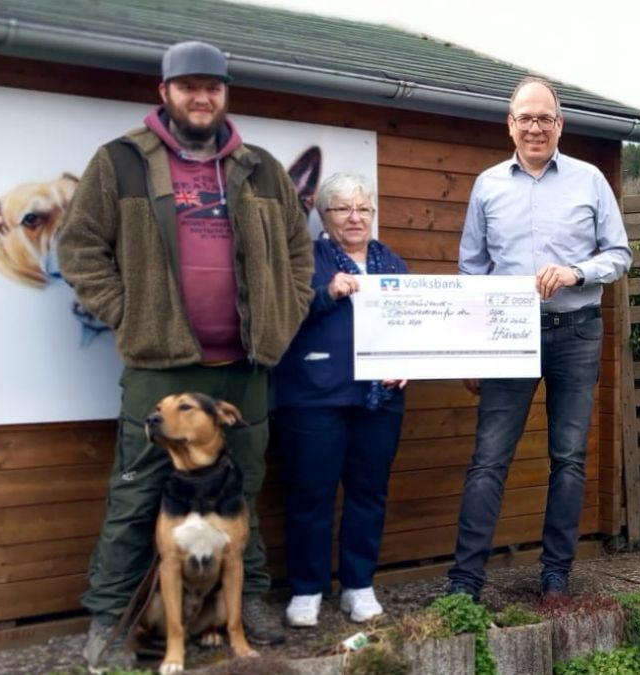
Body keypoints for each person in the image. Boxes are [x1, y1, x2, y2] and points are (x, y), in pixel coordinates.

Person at [56, 40, 314, 667]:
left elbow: (298, 254)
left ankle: (245, 601)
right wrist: (128, 312)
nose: (202, 97)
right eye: (189, 86)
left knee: (243, 488)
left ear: (225, 94)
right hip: (160, 366)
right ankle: (111, 624)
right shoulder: (120, 162)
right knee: (136, 492)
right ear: (164, 92)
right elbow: (79, 246)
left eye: (214, 87)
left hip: (247, 366)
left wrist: (286, 312)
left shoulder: (261, 167)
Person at [446, 76, 631, 600]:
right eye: (524, 118)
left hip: (576, 331)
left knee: (569, 457)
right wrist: (471, 348)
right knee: (489, 457)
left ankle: (556, 574)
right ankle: (464, 580)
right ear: (510, 124)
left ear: (559, 125)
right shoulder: (488, 186)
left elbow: (619, 255)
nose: (534, 127)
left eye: (544, 118)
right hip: (508, 333)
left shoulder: (590, 179)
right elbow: (471, 273)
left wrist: (575, 271)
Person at [273, 173, 409, 627]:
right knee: (310, 495)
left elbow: (412, 324)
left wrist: (406, 363)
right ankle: (308, 589)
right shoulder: (305, 262)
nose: (355, 217)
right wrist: (327, 293)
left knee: (368, 493)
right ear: (323, 217)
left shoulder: (391, 262)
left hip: (379, 401)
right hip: (314, 399)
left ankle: (358, 586)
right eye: (343, 209)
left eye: (363, 209)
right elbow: (280, 315)